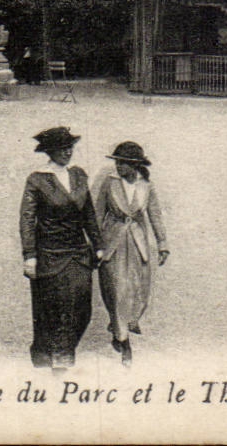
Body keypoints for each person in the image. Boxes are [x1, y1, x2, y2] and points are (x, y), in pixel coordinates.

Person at [20, 126, 104, 370]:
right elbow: (27, 219)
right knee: (51, 308)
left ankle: (62, 350)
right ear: (50, 151)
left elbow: (88, 212)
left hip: (78, 252)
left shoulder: (79, 175)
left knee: (82, 307)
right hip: (49, 253)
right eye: (61, 149)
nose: (68, 152)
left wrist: (97, 244)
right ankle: (55, 356)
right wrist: (30, 256)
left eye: (70, 147)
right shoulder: (37, 179)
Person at [94, 141, 169, 365]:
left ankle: (123, 326)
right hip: (113, 243)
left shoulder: (147, 185)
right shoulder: (109, 184)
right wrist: (95, 245)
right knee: (118, 291)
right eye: (116, 162)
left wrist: (162, 243)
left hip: (138, 243)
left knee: (138, 291)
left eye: (122, 163)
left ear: (133, 165)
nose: (117, 167)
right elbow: (97, 215)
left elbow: (155, 215)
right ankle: (124, 341)